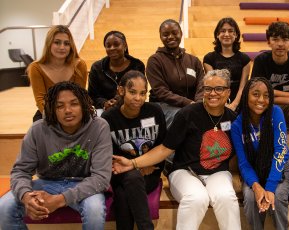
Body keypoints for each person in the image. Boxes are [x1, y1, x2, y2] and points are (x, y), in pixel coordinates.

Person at [111, 69, 241, 230]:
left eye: (219, 88)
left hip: (217, 173)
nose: (212, 93)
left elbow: (239, 154)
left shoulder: (234, 119)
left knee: (227, 197)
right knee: (196, 198)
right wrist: (133, 163)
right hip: (185, 171)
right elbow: (165, 149)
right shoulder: (187, 114)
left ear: (228, 91)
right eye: (207, 88)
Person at [0, 81, 112, 230]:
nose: (68, 110)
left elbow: (101, 178)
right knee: (4, 206)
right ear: (52, 109)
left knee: (95, 210)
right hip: (47, 182)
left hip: (84, 183)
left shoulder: (99, 127)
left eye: (74, 104)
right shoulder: (38, 129)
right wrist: (26, 196)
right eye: (60, 106)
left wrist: (60, 200)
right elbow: (20, 171)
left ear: (84, 105)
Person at [101, 70, 166, 230]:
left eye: (142, 93)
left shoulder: (154, 111)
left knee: (123, 196)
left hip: (150, 171)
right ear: (121, 90)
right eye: (132, 92)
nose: (138, 98)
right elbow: (110, 157)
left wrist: (145, 165)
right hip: (120, 173)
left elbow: (162, 146)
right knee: (132, 176)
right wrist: (133, 167)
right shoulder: (108, 118)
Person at [251, 21, 289, 183]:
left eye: (285, 39)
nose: (280, 44)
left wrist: (270, 92)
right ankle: (264, 158)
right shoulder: (261, 61)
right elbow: (258, 96)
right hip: (267, 107)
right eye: (275, 39)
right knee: (259, 104)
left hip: (287, 108)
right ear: (268, 41)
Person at [231, 78, 289, 229]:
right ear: (246, 95)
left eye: (266, 95)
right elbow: (243, 163)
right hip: (254, 171)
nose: (261, 100)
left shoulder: (276, 113)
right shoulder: (237, 125)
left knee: (278, 197)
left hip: (280, 170)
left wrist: (269, 188)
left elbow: (281, 152)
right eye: (255, 94)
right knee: (249, 196)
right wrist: (256, 186)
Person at [146, 19, 204, 127]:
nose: (171, 37)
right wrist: (188, 103)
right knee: (183, 117)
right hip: (163, 105)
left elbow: (201, 84)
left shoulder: (194, 60)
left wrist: (199, 103)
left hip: (192, 105)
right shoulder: (154, 61)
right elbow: (161, 92)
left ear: (181, 34)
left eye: (174, 33)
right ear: (160, 37)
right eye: (165, 34)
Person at [28, 25, 88, 121]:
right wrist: (58, 118)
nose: (62, 47)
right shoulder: (36, 68)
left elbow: (80, 96)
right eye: (57, 42)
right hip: (48, 112)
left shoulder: (79, 65)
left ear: (71, 46)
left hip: (74, 112)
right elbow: (40, 100)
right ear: (49, 44)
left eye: (67, 43)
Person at [88, 31, 145, 111]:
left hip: (130, 105)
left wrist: (119, 100)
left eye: (116, 44)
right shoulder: (96, 68)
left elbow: (139, 91)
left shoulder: (137, 65)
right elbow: (92, 96)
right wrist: (105, 103)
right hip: (104, 109)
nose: (112, 48)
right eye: (108, 46)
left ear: (125, 45)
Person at [203, 17, 251, 112]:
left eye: (230, 31)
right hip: (217, 100)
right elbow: (213, 85)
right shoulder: (209, 59)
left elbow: (242, 87)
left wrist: (234, 104)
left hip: (239, 102)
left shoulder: (245, 59)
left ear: (236, 35)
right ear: (217, 35)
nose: (226, 34)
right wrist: (223, 105)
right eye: (223, 31)